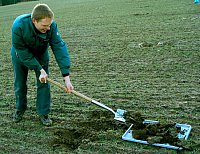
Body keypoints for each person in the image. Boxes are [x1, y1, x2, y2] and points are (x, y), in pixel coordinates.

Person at [11, 3, 73, 126]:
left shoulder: (51, 26)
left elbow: (59, 47)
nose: (48, 28)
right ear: (34, 21)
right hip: (20, 54)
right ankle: (20, 109)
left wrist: (66, 77)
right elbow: (22, 52)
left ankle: (43, 112)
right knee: (20, 83)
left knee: (44, 83)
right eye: (45, 25)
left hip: (41, 54)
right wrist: (39, 69)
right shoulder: (18, 26)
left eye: (50, 25)